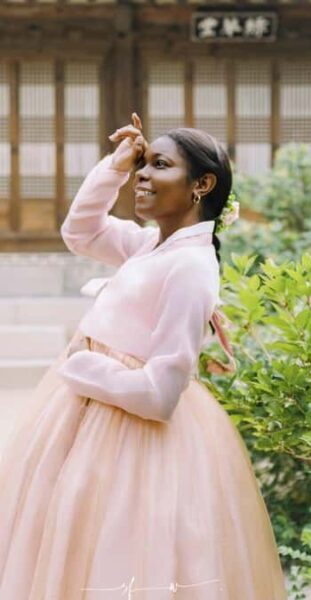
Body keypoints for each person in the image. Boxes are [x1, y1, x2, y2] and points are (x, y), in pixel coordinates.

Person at [0, 114, 286, 599]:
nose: (143, 174)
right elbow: (80, 233)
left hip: (130, 435)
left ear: (202, 185)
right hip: (87, 417)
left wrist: (84, 365)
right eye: (143, 164)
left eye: (159, 165)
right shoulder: (150, 245)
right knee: (65, 537)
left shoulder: (191, 267)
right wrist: (114, 165)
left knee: (117, 547)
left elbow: (160, 394)